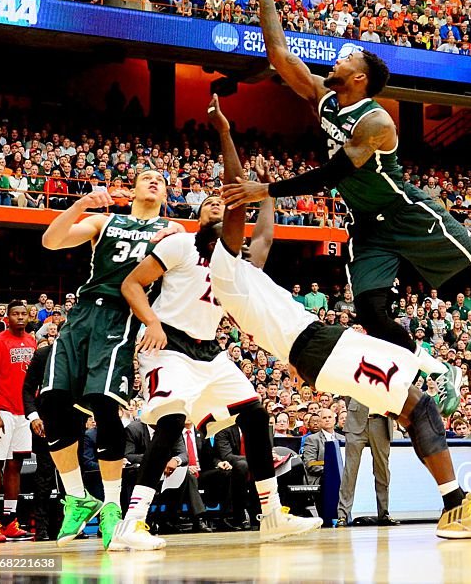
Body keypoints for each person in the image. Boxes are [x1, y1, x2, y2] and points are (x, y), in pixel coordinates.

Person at [222, 0, 471, 415]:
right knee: (372, 314)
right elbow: (279, 55)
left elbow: (339, 171)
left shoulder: (376, 121)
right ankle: (433, 370)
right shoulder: (323, 97)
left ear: (359, 77)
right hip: (366, 224)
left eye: (347, 57)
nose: (337, 58)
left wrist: (268, 191)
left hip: (405, 212)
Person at [208, 96, 471, 539]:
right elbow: (236, 200)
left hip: (322, 346)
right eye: (216, 221)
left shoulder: (243, 269)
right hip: (315, 348)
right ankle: (455, 509)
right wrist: (225, 134)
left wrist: (269, 193)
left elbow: (265, 236)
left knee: (415, 407)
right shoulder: (222, 269)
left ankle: (455, 505)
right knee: (417, 404)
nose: (227, 220)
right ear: (213, 241)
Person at [113, 149, 320, 551]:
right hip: (168, 344)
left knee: (256, 414)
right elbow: (131, 284)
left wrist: (268, 195)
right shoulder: (179, 244)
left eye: (221, 204)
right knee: (171, 423)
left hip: (210, 352)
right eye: (210, 203)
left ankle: (272, 513)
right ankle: (132, 523)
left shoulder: (236, 260)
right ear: (200, 216)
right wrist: (151, 322)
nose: (216, 207)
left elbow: (263, 238)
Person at [40, 173, 177, 547]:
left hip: (121, 315)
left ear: (166, 194)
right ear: (131, 190)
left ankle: (113, 507)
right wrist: (82, 204)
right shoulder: (104, 221)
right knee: (51, 401)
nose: (152, 181)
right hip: (82, 313)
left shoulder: (171, 228)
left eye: (159, 179)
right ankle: (77, 497)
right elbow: (50, 241)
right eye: (145, 177)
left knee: (103, 404)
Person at [0, 300, 36, 542]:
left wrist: (34, 412)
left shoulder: (32, 341)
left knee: (16, 465)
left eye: (24, 314)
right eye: (16, 314)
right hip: (1, 411)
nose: (20, 318)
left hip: (23, 411)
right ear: (7, 316)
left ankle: (10, 521)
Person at [337, 399, 396, 527]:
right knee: (350, 471)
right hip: (355, 420)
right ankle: (342, 515)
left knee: (382, 470)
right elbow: (348, 393)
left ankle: (384, 514)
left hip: (381, 421)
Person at [22, 339, 57, 540]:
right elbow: (27, 389)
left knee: (70, 477)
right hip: (45, 421)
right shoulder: (43, 355)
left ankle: (63, 525)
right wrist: (34, 416)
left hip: (71, 421)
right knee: (45, 476)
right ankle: (42, 528)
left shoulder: (80, 355)